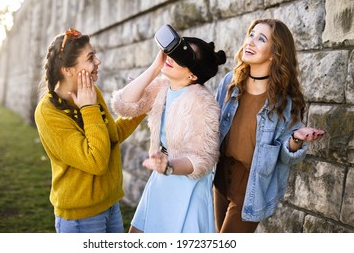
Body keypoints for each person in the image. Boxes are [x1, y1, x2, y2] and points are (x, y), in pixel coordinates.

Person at [111, 25, 227, 233]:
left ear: (192, 75)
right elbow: (123, 105)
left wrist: (169, 166)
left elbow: (203, 159)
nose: (172, 57)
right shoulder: (163, 86)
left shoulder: (203, 103)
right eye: (174, 51)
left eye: (181, 57)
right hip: (161, 177)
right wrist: (156, 66)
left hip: (185, 186)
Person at [213, 19, 326, 233]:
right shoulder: (230, 83)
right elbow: (212, 125)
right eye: (251, 35)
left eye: (261, 39)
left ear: (275, 52)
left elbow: (284, 157)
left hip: (251, 187)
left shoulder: (285, 101)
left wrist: (296, 139)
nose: (251, 42)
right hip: (219, 177)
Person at [34, 28, 145, 233]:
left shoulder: (91, 92)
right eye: (90, 57)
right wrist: (88, 108)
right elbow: (96, 162)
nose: (98, 62)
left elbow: (112, 136)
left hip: (111, 205)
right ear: (68, 70)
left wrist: (142, 108)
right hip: (81, 218)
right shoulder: (47, 112)